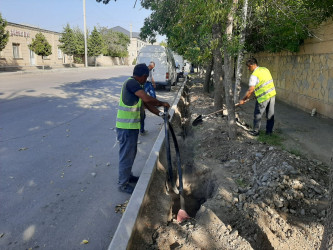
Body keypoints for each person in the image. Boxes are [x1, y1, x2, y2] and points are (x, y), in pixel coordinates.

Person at [116, 63, 170, 194]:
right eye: (146, 77)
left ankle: (127, 176)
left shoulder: (137, 86)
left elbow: (146, 104)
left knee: (130, 154)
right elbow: (147, 98)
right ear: (143, 76)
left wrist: (161, 114)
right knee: (126, 156)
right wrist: (162, 103)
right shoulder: (131, 83)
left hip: (131, 128)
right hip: (126, 128)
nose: (146, 80)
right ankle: (123, 184)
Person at [239, 57, 276, 136]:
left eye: (249, 66)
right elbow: (264, 83)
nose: (248, 68)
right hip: (272, 95)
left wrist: (243, 99)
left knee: (258, 114)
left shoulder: (254, 75)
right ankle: (269, 132)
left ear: (253, 65)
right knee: (270, 115)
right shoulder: (265, 69)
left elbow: (250, 90)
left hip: (263, 97)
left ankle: (255, 131)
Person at [140, 61, 156, 135]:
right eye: (153, 67)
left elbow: (151, 76)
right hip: (146, 84)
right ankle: (141, 131)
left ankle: (142, 131)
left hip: (149, 83)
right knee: (141, 117)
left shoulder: (150, 70)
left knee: (153, 95)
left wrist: (153, 82)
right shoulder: (146, 70)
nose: (153, 68)